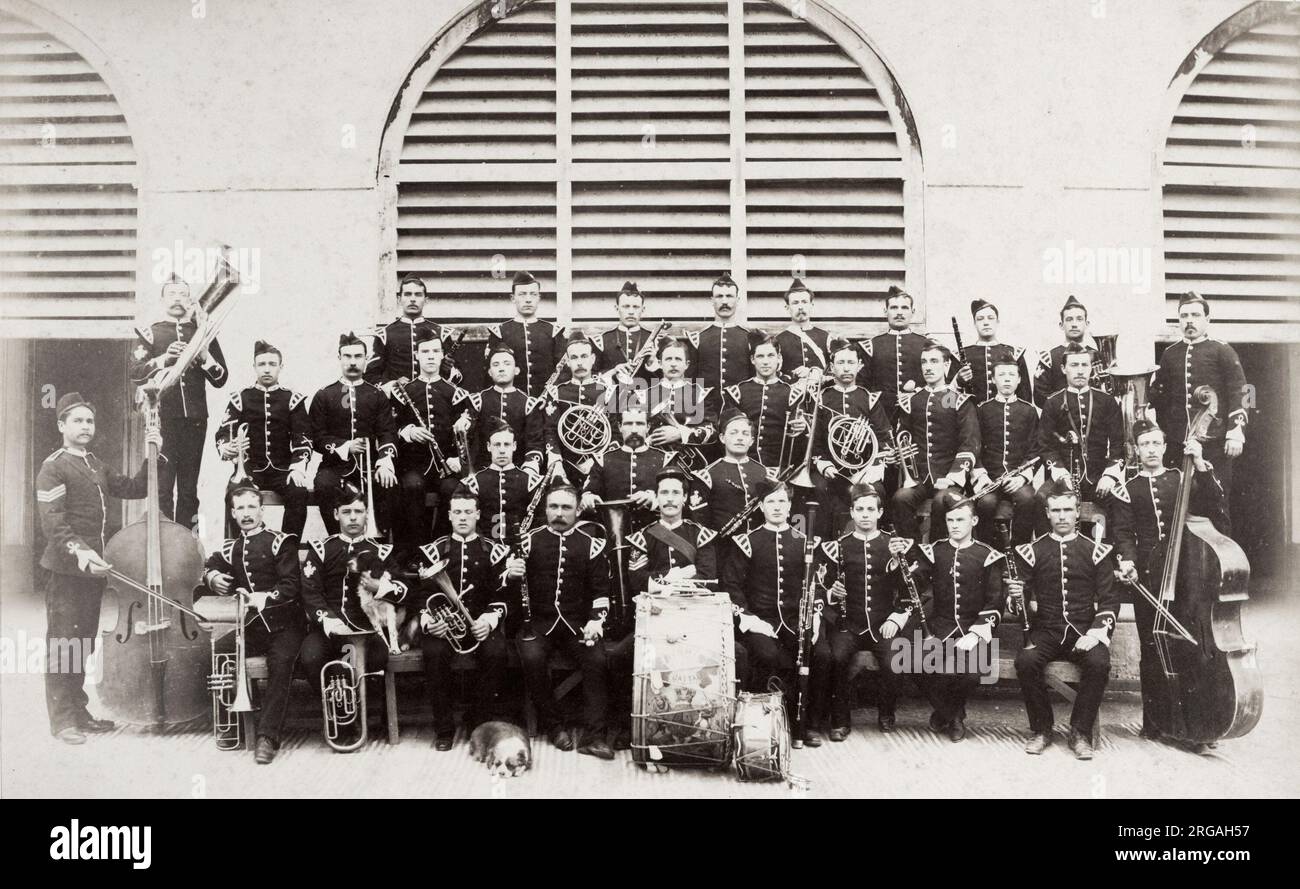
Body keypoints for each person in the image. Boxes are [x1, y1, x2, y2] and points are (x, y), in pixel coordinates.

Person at [34, 393, 169, 744]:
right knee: (64, 644)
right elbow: (53, 522)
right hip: (67, 571)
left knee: (83, 643)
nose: (85, 427)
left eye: (89, 421)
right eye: (77, 421)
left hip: (92, 572)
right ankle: (62, 720)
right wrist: (79, 551)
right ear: (62, 425)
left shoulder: (95, 463)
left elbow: (135, 488)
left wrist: (152, 453)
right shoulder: (53, 466)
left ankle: (79, 711)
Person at [1110, 421, 1228, 746]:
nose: (1150, 449)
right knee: (1152, 649)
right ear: (1136, 448)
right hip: (1149, 576)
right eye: (1144, 443)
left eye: (1155, 443)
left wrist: (1201, 462)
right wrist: (1128, 560)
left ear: (1164, 447)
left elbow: (1217, 506)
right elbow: (1122, 533)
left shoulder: (1183, 477)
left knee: (1191, 647)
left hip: (1187, 572)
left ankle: (1198, 723)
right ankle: (1156, 723)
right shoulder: (1127, 488)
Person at [199, 485, 309, 764]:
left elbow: (290, 586)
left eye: (252, 507)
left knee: (281, 662)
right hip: (255, 626)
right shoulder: (231, 547)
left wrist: (263, 597)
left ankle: (267, 737)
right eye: (240, 509)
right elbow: (209, 565)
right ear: (233, 514)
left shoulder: (281, 542)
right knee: (219, 650)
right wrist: (212, 577)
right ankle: (231, 723)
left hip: (286, 625)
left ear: (261, 510)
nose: (247, 514)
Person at [1009, 485, 1119, 760]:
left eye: (1067, 510)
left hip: (1084, 630)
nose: (1061, 516)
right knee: (1026, 662)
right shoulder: (1031, 551)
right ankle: (1042, 730)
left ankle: (1080, 732)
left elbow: (1109, 601)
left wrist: (1095, 634)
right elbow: (1016, 605)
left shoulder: (1096, 551)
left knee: (1098, 663)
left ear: (1077, 512)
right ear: (1047, 513)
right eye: (1055, 510)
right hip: (1045, 630)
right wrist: (1015, 598)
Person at [721, 479, 830, 747]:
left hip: (796, 619)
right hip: (761, 620)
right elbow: (732, 585)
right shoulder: (747, 541)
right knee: (768, 655)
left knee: (822, 654)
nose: (777, 507)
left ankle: (808, 723)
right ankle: (766, 722)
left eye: (782, 501)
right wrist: (748, 618)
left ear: (790, 505)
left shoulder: (804, 542)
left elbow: (814, 584)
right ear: (760, 507)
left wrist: (814, 617)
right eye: (771, 501)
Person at [510, 484, 614, 759]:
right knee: (532, 658)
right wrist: (510, 573)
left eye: (566, 507)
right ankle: (554, 727)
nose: (559, 513)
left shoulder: (591, 544)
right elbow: (506, 590)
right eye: (553, 507)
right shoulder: (528, 540)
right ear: (545, 509)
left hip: (577, 626)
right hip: (537, 625)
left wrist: (596, 621)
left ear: (578, 510)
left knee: (597, 659)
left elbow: (602, 593)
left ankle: (594, 735)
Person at [297, 486, 409, 730]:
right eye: (347, 512)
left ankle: (366, 718)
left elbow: (404, 588)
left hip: (367, 628)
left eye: (359, 511)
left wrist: (381, 587)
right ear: (336, 515)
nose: (353, 517)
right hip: (330, 626)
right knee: (311, 656)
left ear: (366, 514)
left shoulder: (381, 550)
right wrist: (328, 620)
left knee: (377, 656)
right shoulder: (321, 550)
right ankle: (340, 719)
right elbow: (310, 590)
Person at [817, 485, 922, 739]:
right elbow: (821, 587)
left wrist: (897, 618)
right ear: (851, 513)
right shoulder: (836, 547)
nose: (865, 515)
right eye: (860, 509)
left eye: (870, 509)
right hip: (848, 624)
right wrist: (832, 593)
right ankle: (840, 720)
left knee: (893, 659)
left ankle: (886, 712)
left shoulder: (894, 545)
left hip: (882, 623)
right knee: (837, 657)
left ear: (880, 512)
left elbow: (911, 589)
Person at [415, 488, 513, 750]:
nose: (462, 517)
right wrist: (430, 622)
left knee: (496, 652)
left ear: (478, 515)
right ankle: (444, 729)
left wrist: (489, 621)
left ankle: (478, 722)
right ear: (448, 515)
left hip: (479, 623)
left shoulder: (495, 551)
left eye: (468, 512)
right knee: (434, 654)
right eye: (457, 512)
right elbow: (422, 596)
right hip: (443, 626)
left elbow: (502, 595)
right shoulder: (432, 550)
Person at [129, 273, 228, 527]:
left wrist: (205, 355)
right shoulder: (150, 334)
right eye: (171, 294)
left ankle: (185, 551)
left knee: (188, 491)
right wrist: (163, 359)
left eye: (183, 294)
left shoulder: (202, 334)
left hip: (195, 420)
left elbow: (221, 378)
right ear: (162, 300)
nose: (177, 299)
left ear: (190, 300)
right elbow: (135, 372)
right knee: (162, 490)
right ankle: (163, 551)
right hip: (163, 421)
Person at [1148, 292, 1249, 525]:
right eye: (1184, 316)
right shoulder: (1170, 354)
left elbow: (1246, 390)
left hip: (1214, 444)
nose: (1189, 321)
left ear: (1207, 320)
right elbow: (1160, 397)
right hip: (1177, 445)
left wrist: (1237, 430)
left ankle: (1223, 560)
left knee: (1216, 503)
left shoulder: (1222, 350)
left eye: (1195, 315)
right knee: (1177, 509)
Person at [910, 499, 1003, 743]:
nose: (954, 525)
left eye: (960, 519)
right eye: (950, 520)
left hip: (975, 628)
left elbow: (995, 601)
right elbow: (914, 584)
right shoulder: (934, 551)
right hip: (939, 626)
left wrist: (974, 634)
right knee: (912, 662)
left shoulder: (987, 555)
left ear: (974, 521)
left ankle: (944, 714)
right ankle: (954, 715)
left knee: (972, 673)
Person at [215, 339, 311, 539]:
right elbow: (223, 433)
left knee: (298, 493)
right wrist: (228, 447)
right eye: (262, 364)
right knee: (234, 492)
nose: (267, 369)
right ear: (254, 367)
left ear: (280, 367)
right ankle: (237, 548)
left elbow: (303, 438)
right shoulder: (240, 398)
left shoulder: (292, 399)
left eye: (272, 364)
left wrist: (298, 468)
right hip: (250, 468)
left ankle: (287, 550)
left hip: (283, 470)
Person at [308, 333, 398, 536]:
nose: (353, 362)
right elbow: (317, 437)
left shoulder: (377, 395)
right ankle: (336, 540)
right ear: (339, 358)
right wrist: (346, 446)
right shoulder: (325, 395)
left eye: (358, 356)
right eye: (347, 356)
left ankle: (379, 543)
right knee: (324, 484)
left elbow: (387, 431)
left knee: (390, 482)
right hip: (335, 466)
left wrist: (384, 461)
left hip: (371, 465)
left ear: (366, 359)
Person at [891, 341, 979, 542]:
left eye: (934, 361)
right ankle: (913, 553)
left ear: (947, 365)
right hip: (918, 478)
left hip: (948, 477)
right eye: (924, 362)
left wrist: (952, 477)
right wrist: (900, 456)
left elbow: (970, 443)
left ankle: (936, 553)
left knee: (942, 501)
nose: (928, 367)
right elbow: (902, 436)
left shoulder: (956, 399)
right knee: (900, 498)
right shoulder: (912, 400)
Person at [392, 329, 468, 553]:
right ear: (417, 355)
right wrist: (408, 431)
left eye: (436, 351)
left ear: (442, 355)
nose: (431, 356)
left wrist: (458, 459)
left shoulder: (455, 392)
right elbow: (389, 427)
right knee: (412, 486)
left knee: (452, 488)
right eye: (425, 351)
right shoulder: (404, 391)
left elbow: (466, 436)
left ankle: (440, 546)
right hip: (414, 465)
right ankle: (417, 549)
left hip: (446, 466)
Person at [811, 339, 893, 537]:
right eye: (840, 363)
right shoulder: (821, 399)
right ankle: (823, 549)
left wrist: (870, 469)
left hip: (863, 471)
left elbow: (884, 439)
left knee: (876, 492)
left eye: (850, 362)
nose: (846, 368)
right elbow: (815, 441)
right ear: (831, 368)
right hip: (830, 470)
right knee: (818, 490)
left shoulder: (870, 399)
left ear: (859, 366)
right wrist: (824, 465)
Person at [1033, 343, 1124, 502]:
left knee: (1119, 500)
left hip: (1100, 476)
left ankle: (1100, 529)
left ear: (1091, 368)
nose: (1080, 370)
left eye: (1084, 365)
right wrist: (1060, 473)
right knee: (1041, 499)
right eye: (1074, 365)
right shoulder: (1053, 402)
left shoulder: (1107, 401)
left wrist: (1110, 475)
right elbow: (1045, 444)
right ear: (1063, 369)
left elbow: (1118, 442)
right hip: (1065, 475)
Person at [971, 358, 1041, 546]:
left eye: (1012, 375)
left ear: (1019, 379)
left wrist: (1022, 478)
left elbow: (1035, 450)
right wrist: (981, 477)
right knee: (985, 503)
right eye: (1001, 375)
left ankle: (1020, 551)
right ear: (993, 379)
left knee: (1027, 499)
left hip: (1018, 478)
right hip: (990, 478)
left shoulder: (1029, 411)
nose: (1007, 380)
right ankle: (987, 550)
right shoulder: (982, 410)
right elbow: (973, 446)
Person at [581, 407, 671, 536]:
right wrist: (588, 498)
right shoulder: (603, 460)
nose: (634, 430)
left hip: (655, 537)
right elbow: (589, 492)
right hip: (613, 538)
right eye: (628, 424)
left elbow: (679, 501)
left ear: (648, 427)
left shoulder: (665, 460)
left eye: (640, 424)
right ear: (619, 427)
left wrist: (654, 500)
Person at [723, 335, 807, 472]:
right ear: (752, 360)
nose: (766, 362)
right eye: (760, 356)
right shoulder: (736, 393)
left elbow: (799, 441)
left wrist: (803, 427)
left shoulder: (793, 394)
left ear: (779, 359)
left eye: (770, 356)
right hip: (743, 468)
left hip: (780, 468)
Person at [456, 346, 545, 474]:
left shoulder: (529, 403)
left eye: (507, 364)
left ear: (516, 370)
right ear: (490, 372)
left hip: (519, 470)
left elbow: (535, 443)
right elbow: (467, 440)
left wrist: (530, 466)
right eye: (496, 365)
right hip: (484, 470)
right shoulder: (477, 401)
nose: (501, 368)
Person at [544, 333, 613, 489]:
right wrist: (556, 463)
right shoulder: (556, 392)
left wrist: (595, 461)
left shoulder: (608, 392)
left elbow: (615, 434)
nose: (580, 362)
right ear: (567, 361)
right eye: (574, 358)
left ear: (593, 359)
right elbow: (550, 431)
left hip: (600, 466)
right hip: (565, 467)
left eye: (584, 356)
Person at [366, 273, 457, 389]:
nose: (413, 299)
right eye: (408, 294)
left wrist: (448, 369)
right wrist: (393, 384)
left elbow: (459, 376)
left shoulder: (441, 333)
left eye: (418, 295)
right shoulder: (385, 334)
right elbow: (370, 376)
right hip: (398, 402)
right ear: (399, 299)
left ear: (426, 300)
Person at [486, 270, 566, 399]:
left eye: (533, 294)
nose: (528, 299)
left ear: (539, 298)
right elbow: (489, 374)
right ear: (513, 298)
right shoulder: (500, 332)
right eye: (522, 294)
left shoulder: (553, 332)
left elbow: (563, 372)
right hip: (513, 404)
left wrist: (550, 397)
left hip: (546, 402)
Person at [856, 285, 928, 421]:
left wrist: (917, 393)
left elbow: (942, 385)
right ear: (885, 311)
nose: (899, 312)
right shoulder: (870, 346)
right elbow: (860, 388)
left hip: (919, 415)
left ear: (913, 311)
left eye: (905, 308)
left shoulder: (927, 344)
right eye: (894, 308)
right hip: (880, 415)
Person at [465, 418, 542, 543]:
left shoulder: (531, 482)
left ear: (514, 446)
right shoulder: (473, 483)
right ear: (489, 447)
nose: (501, 450)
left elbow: (540, 522)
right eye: (497, 444)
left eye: (506, 444)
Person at [685, 272, 756, 392]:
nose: (724, 301)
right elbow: (689, 380)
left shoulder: (749, 338)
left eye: (729, 296)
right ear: (712, 300)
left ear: (737, 300)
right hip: (706, 407)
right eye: (719, 296)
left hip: (739, 408)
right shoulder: (697, 339)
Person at [955, 299, 1031, 404]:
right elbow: (946, 402)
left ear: (997, 322)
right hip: (971, 417)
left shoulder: (1014, 354)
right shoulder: (960, 355)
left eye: (991, 318)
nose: (986, 323)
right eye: (980, 319)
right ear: (974, 323)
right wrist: (958, 382)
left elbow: (1025, 397)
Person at [1033, 294, 1097, 408]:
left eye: (1079, 319)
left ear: (1087, 324)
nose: (1074, 324)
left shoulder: (1097, 355)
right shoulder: (1049, 357)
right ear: (1061, 325)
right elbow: (1040, 396)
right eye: (1069, 319)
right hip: (1061, 420)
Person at [772, 278, 831, 382]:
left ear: (811, 305)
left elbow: (834, 371)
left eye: (804, 302)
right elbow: (774, 374)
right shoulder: (779, 340)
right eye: (795, 303)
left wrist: (816, 374)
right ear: (787, 307)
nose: (800, 307)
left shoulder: (826, 337)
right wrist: (794, 375)